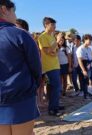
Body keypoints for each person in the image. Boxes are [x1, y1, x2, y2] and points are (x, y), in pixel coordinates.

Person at [0, 1, 42, 134]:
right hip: (20, 98)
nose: (15, 15)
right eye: (14, 11)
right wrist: (33, 86)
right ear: (4, 10)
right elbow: (36, 68)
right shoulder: (20, 34)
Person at [38, 17, 64, 116]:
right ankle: (52, 109)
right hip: (49, 67)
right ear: (46, 25)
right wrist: (56, 42)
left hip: (55, 65)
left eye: (54, 25)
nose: (54, 27)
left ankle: (55, 105)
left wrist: (58, 45)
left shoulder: (52, 37)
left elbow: (55, 52)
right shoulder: (42, 37)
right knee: (55, 87)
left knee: (54, 87)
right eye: (52, 24)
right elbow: (47, 51)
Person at [76, 34, 92, 99]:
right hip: (85, 67)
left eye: (91, 40)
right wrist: (83, 70)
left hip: (91, 67)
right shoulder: (80, 49)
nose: (90, 42)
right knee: (85, 82)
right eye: (89, 40)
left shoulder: (89, 48)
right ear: (84, 40)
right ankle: (85, 96)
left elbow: (91, 58)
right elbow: (80, 60)